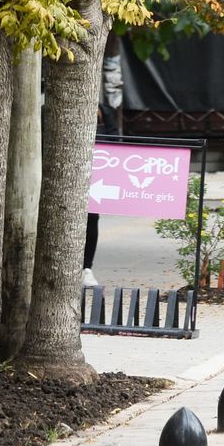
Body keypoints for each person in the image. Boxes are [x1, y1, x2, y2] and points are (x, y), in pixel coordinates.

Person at [84, 36, 124, 288]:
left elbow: (115, 142)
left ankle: (86, 267)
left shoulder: (103, 111)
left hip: (94, 177)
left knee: (91, 219)